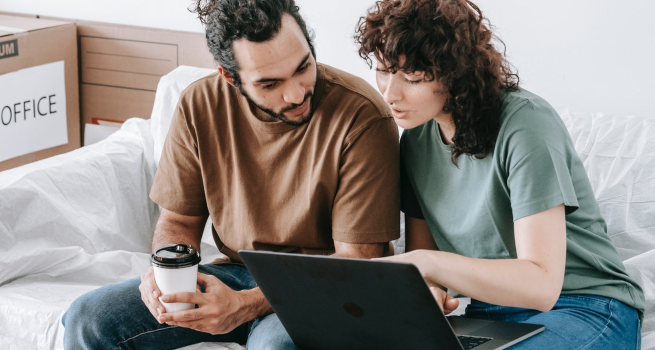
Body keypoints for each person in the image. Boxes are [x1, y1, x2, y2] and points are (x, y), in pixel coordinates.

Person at [62, 0, 402, 348]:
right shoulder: (199, 105)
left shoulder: (362, 116)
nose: (297, 93)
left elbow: (359, 261)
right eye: (270, 84)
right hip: (237, 272)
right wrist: (168, 276)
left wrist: (246, 305)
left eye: (303, 67)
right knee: (87, 319)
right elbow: (179, 220)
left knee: (276, 346)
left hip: (322, 288)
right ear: (230, 77)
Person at [355, 0, 645, 349]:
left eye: (413, 77)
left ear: (455, 72)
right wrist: (429, 291)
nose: (389, 94)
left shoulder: (525, 124)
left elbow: (541, 285)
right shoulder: (415, 139)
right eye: (384, 70)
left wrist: (425, 263)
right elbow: (428, 269)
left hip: (585, 305)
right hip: (488, 314)